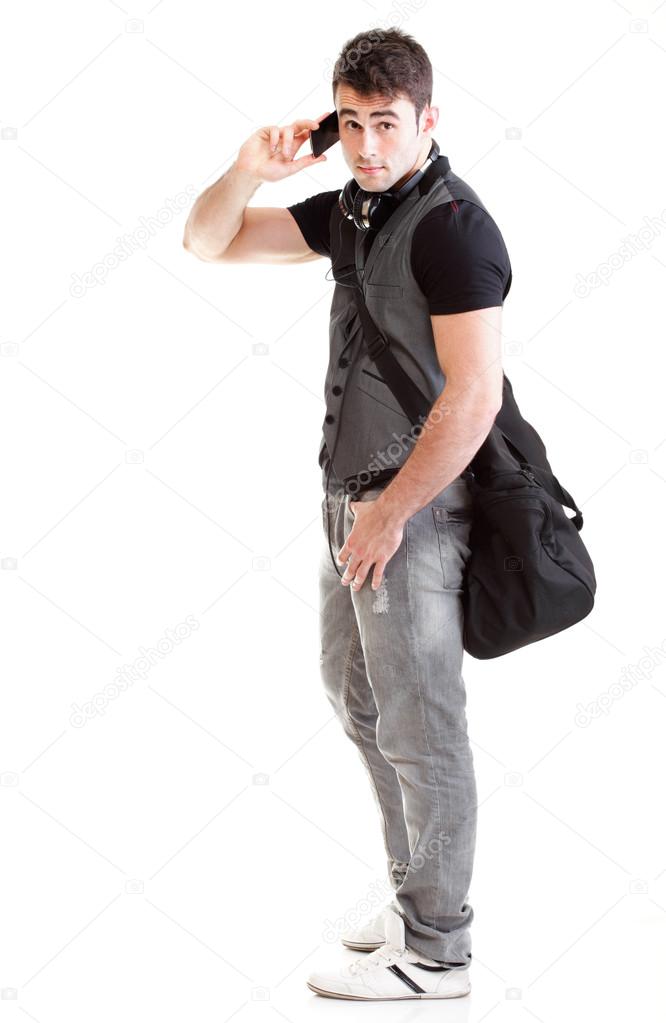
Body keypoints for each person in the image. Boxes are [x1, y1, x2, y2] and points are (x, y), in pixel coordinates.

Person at [184, 26, 512, 1002]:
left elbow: (474, 396)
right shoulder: (358, 211)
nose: (370, 145)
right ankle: (417, 893)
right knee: (355, 696)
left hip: (415, 511)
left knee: (422, 723)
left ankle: (439, 950)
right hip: (349, 504)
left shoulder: (452, 227)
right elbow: (211, 239)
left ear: (428, 121)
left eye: (389, 125)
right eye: (355, 123)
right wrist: (250, 166)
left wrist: (389, 514)